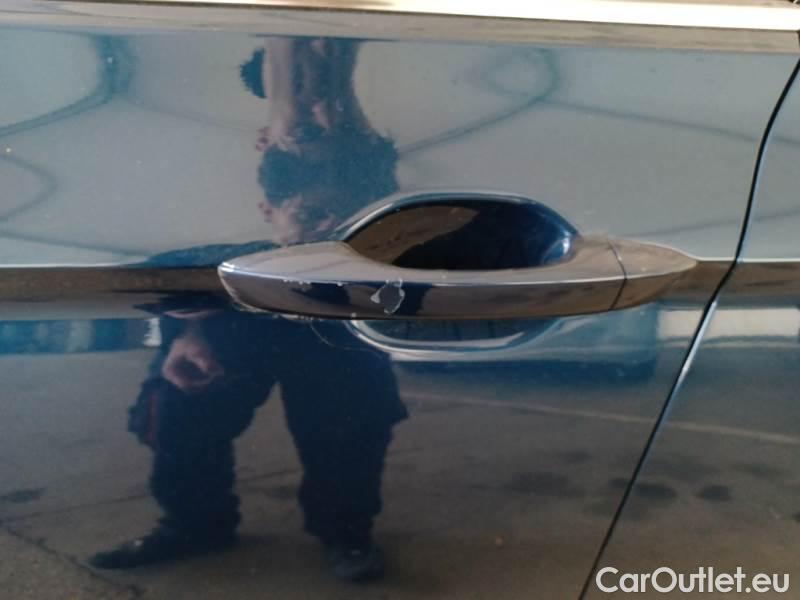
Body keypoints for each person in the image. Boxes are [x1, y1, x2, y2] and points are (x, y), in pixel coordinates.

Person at [89, 37, 406, 581]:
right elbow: (175, 259)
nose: (312, 101)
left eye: (321, 79)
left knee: (350, 424)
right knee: (180, 407)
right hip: (241, 298)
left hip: (335, 307)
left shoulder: (359, 148)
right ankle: (194, 523)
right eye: (297, 80)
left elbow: (367, 164)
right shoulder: (227, 151)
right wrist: (188, 334)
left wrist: (326, 86)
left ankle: (347, 532)